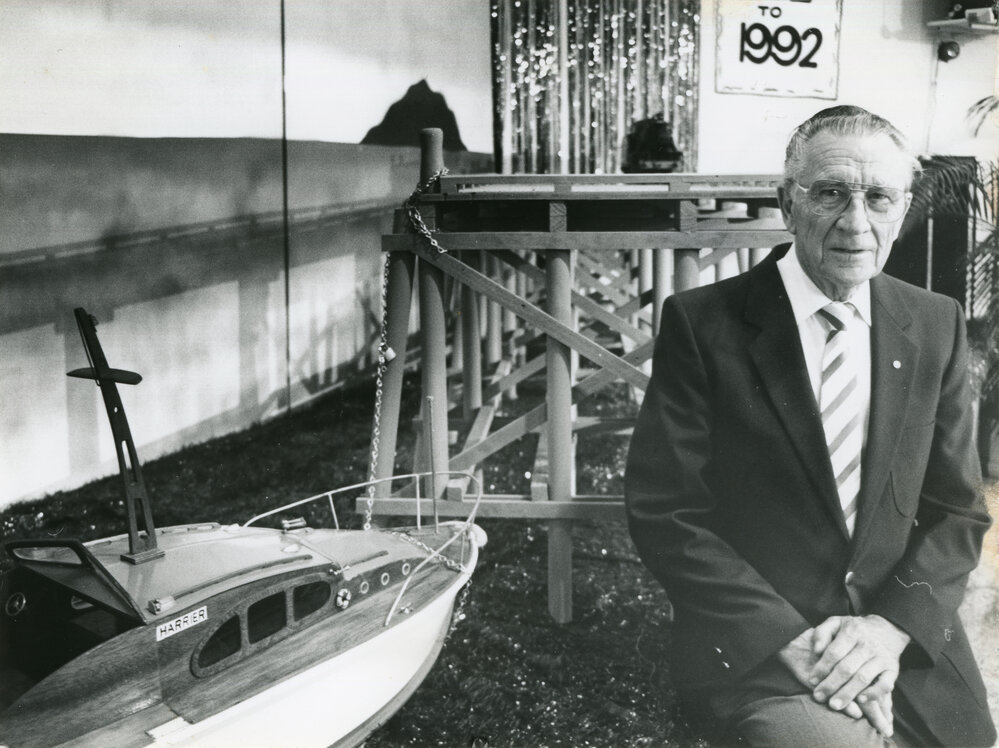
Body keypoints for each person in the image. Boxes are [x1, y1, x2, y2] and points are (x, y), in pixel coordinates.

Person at [625, 105, 996, 747]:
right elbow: (668, 511)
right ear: (787, 203)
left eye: (879, 197)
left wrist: (890, 630)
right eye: (830, 194)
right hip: (762, 643)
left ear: (903, 208)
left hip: (895, 636)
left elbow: (958, 510)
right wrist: (788, 640)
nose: (857, 223)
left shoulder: (935, 323)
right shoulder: (704, 323)